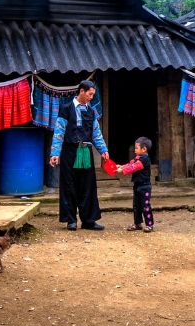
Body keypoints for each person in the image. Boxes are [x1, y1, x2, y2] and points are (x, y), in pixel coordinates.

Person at [49, 80, 110, 231]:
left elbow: (96, 133)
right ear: (81, 91)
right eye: (90, 94)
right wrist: (55, 153)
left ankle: (89, 220)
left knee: (87, 185)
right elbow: (59, 132)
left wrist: (103, 149)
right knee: (69, 185)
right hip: (70, 151)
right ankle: (71, 220)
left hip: (85, 151)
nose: (91, 97)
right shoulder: (66, 109)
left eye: (93, 95)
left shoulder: (91, 111)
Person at [117, 136, 154, 233]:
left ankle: (149, 225)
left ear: (144, 149)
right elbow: (130, 164)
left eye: (136, 148)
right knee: (136, 205)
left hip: (145, 187)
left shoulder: (145, 159)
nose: (135, 150)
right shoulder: (137, 158)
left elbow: (134, 167)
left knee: (145, 205)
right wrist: (121, 166)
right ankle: (137, 224)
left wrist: (123, 170)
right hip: (137, 186)